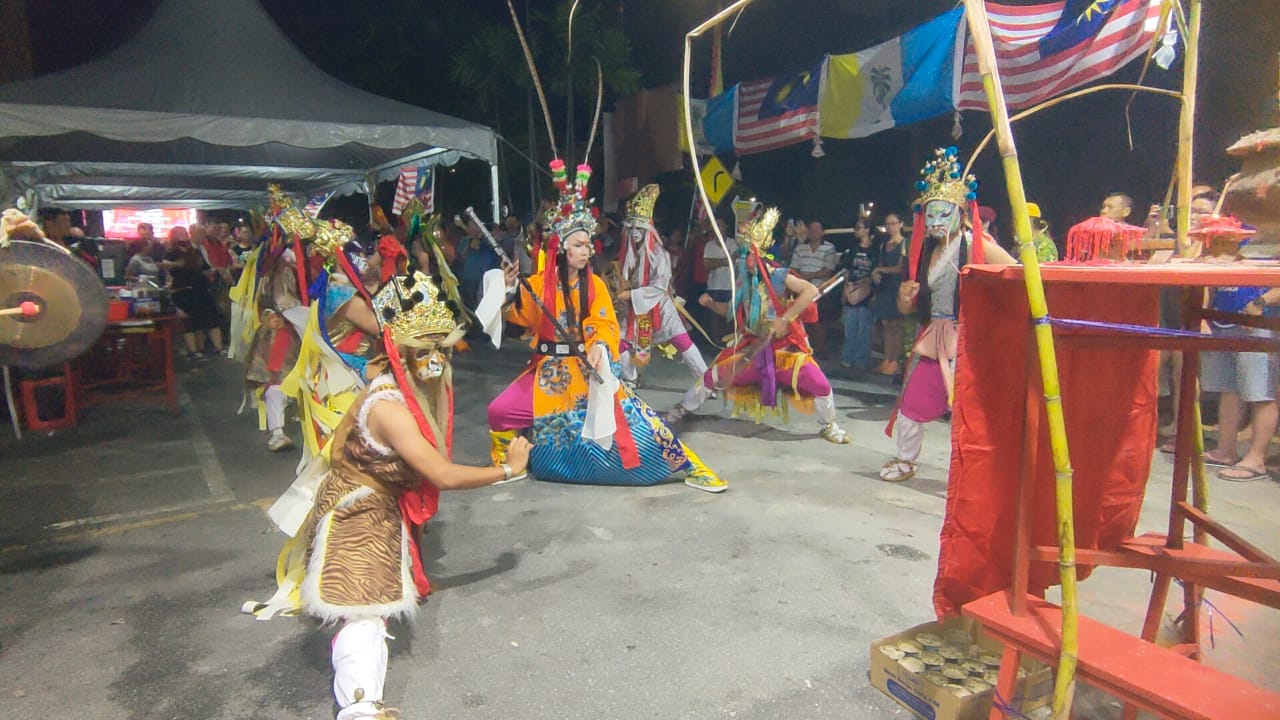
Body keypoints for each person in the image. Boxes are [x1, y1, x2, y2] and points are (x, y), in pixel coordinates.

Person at [247, 270, 529, 720]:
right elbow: (441, 474)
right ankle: (360, 708)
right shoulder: (389, 406)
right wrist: (506, 469)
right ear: (405, 351)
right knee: (362, 608)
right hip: (356, 511)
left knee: (373, 600)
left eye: (441, 346)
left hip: (374, 502)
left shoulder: (401, 385)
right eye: (426, 349)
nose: (437, 359)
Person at [480, 161, 725, 492]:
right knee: (500, 411)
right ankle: (509, 464)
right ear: (561, 247)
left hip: (586, 367)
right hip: (547, 372)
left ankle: (687, 464)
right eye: (579, 245)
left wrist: (598, 347)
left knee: (639, 424)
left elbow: (604, 322)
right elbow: (519, 319)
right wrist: (509, 290)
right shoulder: (538, 284)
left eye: (587, 244)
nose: (587, 250)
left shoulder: (593, 284)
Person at [880, 147, 1017, 483]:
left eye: (944, 214)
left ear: (961, 212)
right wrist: (904, 298)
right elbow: (907, 309)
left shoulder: (975, 244)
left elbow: (1015, 274)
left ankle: (976, 470)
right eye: (931, 216)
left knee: (969, 409)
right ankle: (906, 460)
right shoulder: (928, 251)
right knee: (912, 401)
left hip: (967, 339)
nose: (937, 222)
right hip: (933, 337)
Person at [669, 208, 851, 445]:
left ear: (760, 255)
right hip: (754, 348)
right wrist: (711, 304)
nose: (745, 260)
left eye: (749, 255)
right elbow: (731, 312)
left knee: (820, 384)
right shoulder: (744, 281)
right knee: (713, 375)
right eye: (744, 255)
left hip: (784, 351)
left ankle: (830, 424)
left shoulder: (779, 275)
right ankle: (683, 408)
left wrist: (785, 318)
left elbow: (811, 290)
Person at [613, 185, 711, 396]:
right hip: (636, 311)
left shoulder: (659, 254)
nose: (636, 234)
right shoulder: (630, 254)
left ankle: (707, 381)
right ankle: (629, 378)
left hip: (661, 309)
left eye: (640, 229)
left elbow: (659, 287)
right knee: (620, 342)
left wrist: (631, 295)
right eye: (632, 230)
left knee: (683, 342)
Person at [1198, 284, 1279, 482]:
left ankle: (1256, 459)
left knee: (1260, 391)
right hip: (1224, 318)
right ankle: (1226, 449)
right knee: (1229, 388)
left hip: (1259, 319)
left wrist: (1261, 302)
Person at [243, 308, 300, 451]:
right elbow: (257, 361)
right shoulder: (265, 335)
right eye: (271, 318)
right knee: (274, 392)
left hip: (305, 377)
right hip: (278, 381)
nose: (276, 321)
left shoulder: (298, 330)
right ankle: (278, 434)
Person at [164, 225, 225, 358]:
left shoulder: (194, 251)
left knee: (212, 319)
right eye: (181, 234)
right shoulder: (171, 252)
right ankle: (194, 351)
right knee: (189, 323)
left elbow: (202, 267)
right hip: (184, 290)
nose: (185, 235)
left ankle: (219, 348)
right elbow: (168, 268)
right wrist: (176, 264)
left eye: (185, 233)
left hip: (200, 288)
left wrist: (210, 272)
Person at [789, 220, 838, 353]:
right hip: (801, 290)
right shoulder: (800, 248)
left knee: (819, 321)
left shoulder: (829, 248)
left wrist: (806, 277)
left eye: (817, 230)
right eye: (811, 229)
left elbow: (828, 269)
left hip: (821, 290)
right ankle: (802, 347)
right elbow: (793, 268)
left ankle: (819, 349)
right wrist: (801, 280)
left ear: (823, 232)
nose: (813, 233)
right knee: (800, 321)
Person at [872, 213, 908, 376]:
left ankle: (895, 360)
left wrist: (881, 270)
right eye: (888, 224)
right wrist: (876, 273)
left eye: (894, 223)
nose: (890, 227)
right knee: (886, 324)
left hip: (897, 286)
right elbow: (881, 263)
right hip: (885, 287)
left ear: (901, 224)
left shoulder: (904, 244)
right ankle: (887, 359)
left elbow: (901, 268)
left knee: (897, 324)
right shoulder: (884, 245)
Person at [840, 218, 878, 370]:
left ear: (867, 229)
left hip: (867, 291)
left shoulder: (875, 251)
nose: (856, 231)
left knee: (864, 328)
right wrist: (844, 290)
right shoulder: (853, 249)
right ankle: (847, 357)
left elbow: (876, 274)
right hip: (851, 289)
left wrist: (874, 293)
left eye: (858, 228)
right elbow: (847, 271)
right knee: (850, 327)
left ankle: (860, 359)